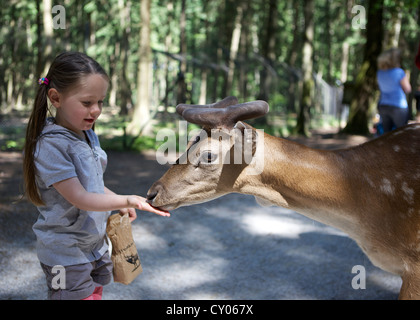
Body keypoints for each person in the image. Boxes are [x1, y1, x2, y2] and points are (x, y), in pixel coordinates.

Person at [23, 51, 170, 300]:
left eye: (100, 102)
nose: (96, 110)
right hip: (65, 255)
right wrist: (126, 200)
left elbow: (94, 185)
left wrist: (119, 200)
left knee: (95, 294)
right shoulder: (51, 146)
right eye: (87, 102)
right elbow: (80, 197)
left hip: (94, 246)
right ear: (55, 98)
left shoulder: (87, 134)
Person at [376, 48, 412, 133]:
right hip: (398, 106)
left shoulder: (380, 72)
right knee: (401, 133)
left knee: (386, 135)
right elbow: (408, 89)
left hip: (383, 105)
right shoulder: (399, 72)